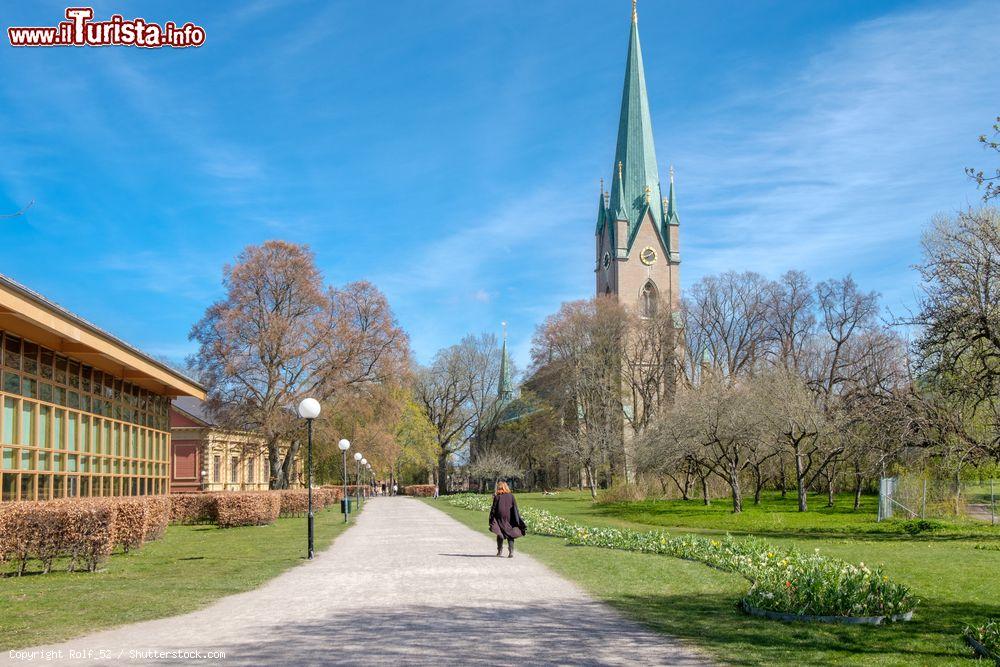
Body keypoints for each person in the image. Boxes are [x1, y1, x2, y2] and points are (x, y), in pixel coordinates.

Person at [489, 481, 527, 558]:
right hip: (509, 517)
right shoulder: (511, 496)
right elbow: (515, 507)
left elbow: (493, 509)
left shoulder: (497, 497)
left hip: (499, 518)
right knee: (510, 534)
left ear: (500, 488)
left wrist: (491, 518)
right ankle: (511, 552)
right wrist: (516, 518)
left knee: (500, 533)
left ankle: (499, 551)